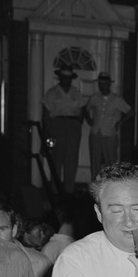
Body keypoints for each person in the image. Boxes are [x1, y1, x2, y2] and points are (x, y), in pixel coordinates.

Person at [42, 66, 87, 195]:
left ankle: (69, 190)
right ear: (60, 78)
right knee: (57, 157)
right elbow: (46, 114)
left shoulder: (76, 92)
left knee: (71, 158)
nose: (66, 80)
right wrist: (47, 131)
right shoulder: (52, 92)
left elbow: (82, 109)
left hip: (73, 125)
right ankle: (55, 191)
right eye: (64, 78)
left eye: (68, 78)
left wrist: (78, 123)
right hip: (57, 124)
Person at [85, 72, 133, 179]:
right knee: (95, 162)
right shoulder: (95, 97)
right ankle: (95, 187)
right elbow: (86, 109)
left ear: (109, 84)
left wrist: (119, 123)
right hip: (95, 133)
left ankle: (111, 187)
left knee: (111, 163)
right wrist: (89, 119)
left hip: (110, 134)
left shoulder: (116, 99)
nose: (102, 86)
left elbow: (130, 112)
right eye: (100, 84)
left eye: (104, 84)